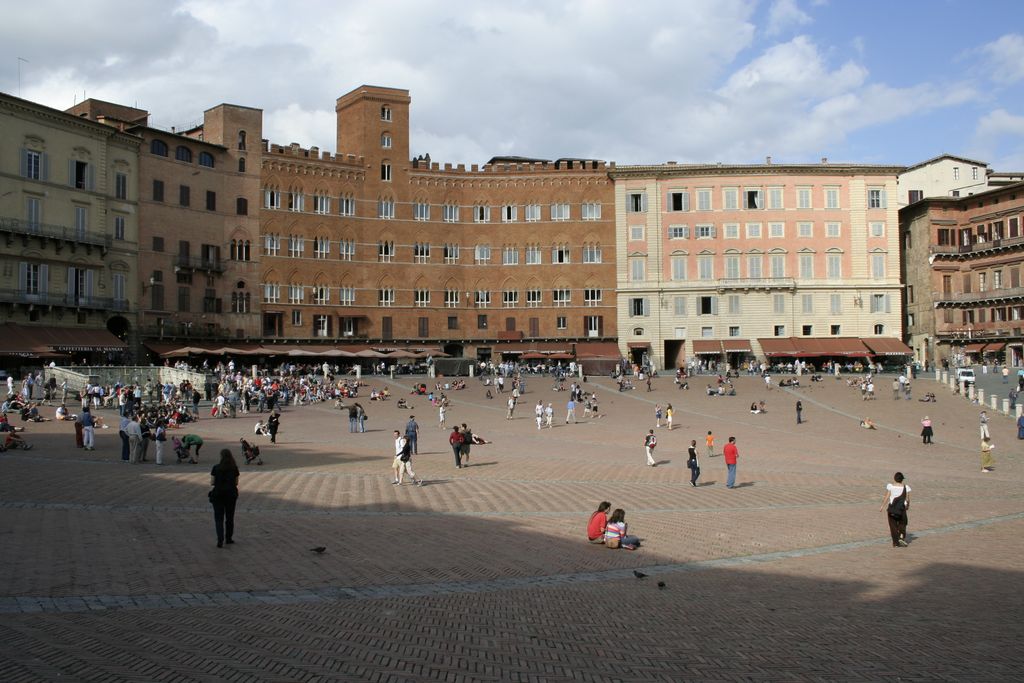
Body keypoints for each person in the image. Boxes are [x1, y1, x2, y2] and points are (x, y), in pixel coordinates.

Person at [209, 448, 239, 548]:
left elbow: (212, 482)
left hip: (218, 494)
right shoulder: (234, 468)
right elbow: (236, 482)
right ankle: (229, 538)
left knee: (218, 518)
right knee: (230, 518)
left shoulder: (216, 468)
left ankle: (220, 539)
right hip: (231, 494)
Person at [881, 472, 910, 547]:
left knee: (893, 526)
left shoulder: (890, 486)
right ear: (902, 480)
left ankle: (895, 543)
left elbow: (887, 497)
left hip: (891, 509)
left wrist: (882, 506)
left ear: (894, 479)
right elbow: (907, 499)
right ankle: (901, 536)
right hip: (901, 509)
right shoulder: (906, 487)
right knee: (903, 523)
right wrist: (907, 506)